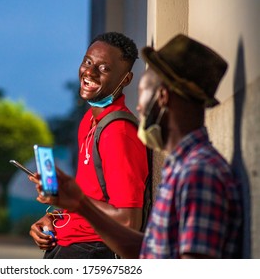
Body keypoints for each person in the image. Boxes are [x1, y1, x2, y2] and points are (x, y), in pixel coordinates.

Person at [31, 34, 243, 259]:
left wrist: (81, 204)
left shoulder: (199, 173)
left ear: (161, 97)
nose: (139, 107)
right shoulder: (181, 166)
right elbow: (154, 252)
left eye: (142, 93)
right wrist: (76, 205)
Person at [29, 32, 149, 259]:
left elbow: (128, 221)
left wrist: (75, 201)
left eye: (104, 69)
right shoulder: (89, 121)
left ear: (126, 80)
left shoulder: (118, 132)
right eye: (88, 62)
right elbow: (90, 197)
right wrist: (54, 217)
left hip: (92, 251)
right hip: (68, 243)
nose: (90, 72)